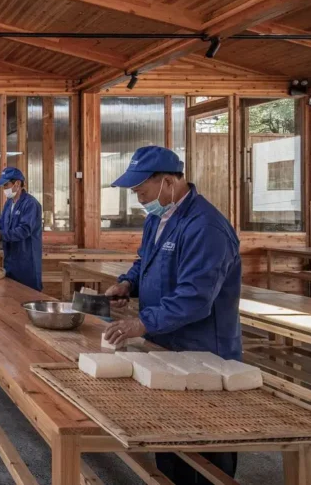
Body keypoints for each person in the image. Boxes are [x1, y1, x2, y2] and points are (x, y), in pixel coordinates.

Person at [103, 145, 242, 484]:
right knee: (168, 435)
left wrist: (142, 323)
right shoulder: (158, 218)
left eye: (141, 189)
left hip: (204, 352)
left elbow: (195, 298)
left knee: (207, 444)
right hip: (166, 344)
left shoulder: (205, 227)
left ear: (168, 181)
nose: (138, 198)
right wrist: (127, 283)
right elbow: (145, 261)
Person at [0, 166, 43, 291]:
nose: (4, 189)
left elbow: (24, 230)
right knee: (10, 295)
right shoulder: (9, 203)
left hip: (26, 261)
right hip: (10, 260)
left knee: (28, 295)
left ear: (17, 184)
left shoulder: (31, 204)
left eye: (6, 185)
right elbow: (0, 222)